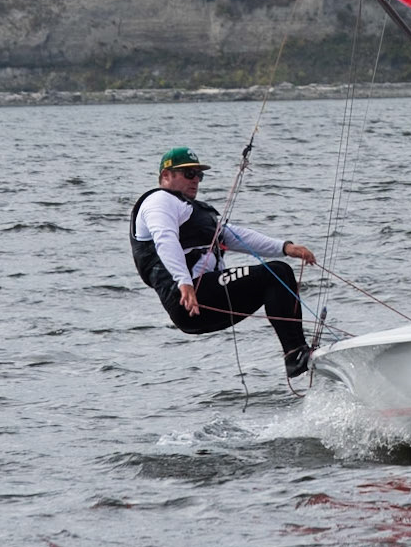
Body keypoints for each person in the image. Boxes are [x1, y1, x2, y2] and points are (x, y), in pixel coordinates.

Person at [129, 145, 316, 381]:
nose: (195, 179)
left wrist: (285, 248)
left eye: (199, 175)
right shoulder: (159, 201)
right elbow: (165, 238)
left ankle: (299, 352)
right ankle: (295, 353)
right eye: (189, 173)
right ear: (166, 175)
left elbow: (234, 235)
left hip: (208, 299)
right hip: (188, 299)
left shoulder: (192, 211)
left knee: (280, 275)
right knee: (275, 273)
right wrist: (184, 282)